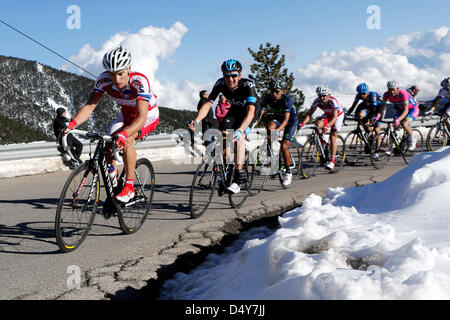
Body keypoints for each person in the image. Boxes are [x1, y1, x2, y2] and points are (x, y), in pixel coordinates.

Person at [64, 45, 160, 203]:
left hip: (147, 115)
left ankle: (129, 188)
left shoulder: (140, 82)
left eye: (121, 74)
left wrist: (123, 134)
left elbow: (141, 117)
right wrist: (71, 125)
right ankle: (114, 184)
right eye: (112, 74)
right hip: (125, 114)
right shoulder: (103, 80)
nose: (117, 80)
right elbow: (89, 107)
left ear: (129, 68)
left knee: (127, 141)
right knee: (108, 145)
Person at [188, 59, 260, 194]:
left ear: (240, 75)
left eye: (233, 75)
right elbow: (208, 104)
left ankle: (238, 180)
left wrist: (240, 130)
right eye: (227, 75)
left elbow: (250, 112)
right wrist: (197, 120)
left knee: (239, 139)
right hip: (236, 109)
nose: (230, 79)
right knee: (223, 138)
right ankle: (225, 173)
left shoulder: (247, 85)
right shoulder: (220, 84)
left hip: (252, 111)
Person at [259, 78, 298, 186]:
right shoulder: (268, 98)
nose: (274, 94)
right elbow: (260, 114)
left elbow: (286, 121)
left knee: (284, 146)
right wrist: (252, 124)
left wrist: (277, 132)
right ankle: (273, 154)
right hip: (278, 119)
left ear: (283, 91)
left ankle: (288, 172)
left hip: (290, 121)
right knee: (270, 127)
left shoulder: (287, 100)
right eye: (272, 91)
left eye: (277, 91)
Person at [299, 84, 344, 171]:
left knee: (333, 135)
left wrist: (326, 127)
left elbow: (334, 118)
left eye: (324, 96)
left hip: (337, 116)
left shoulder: (333, 101)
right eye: (320, 96)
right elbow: (309, 114)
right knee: (318, 124)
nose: (322, 98)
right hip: (327, 114)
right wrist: (303, 123)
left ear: (328, 95)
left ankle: (332, 161)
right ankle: (324, 143)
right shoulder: (317, 101)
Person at [346, 83, 384, 158]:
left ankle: (377, 150)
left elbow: (374, 109)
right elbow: (354, 106)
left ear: (367, 92)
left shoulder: (372, 94)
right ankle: (369, 133)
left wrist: (371, 119)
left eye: (363, 94)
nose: (362, 96)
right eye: (360, 94)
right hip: (368, 105)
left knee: (377, 129)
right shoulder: (358, 96)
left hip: (378, 107)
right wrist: (347, 113)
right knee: (359, 115)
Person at [379, 80, 419, 151]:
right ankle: (394, 143)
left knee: (404, 124)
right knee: (391, 126)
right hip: (400, 109)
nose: (391, 92)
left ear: (397, 89)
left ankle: (413, 139)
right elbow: (383, 108)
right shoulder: (386, 94)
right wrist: (379, 117)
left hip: (412, 109)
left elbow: (406, 110)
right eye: (389, 90)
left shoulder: (403, 93)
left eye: (393, 90)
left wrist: (398, 120)